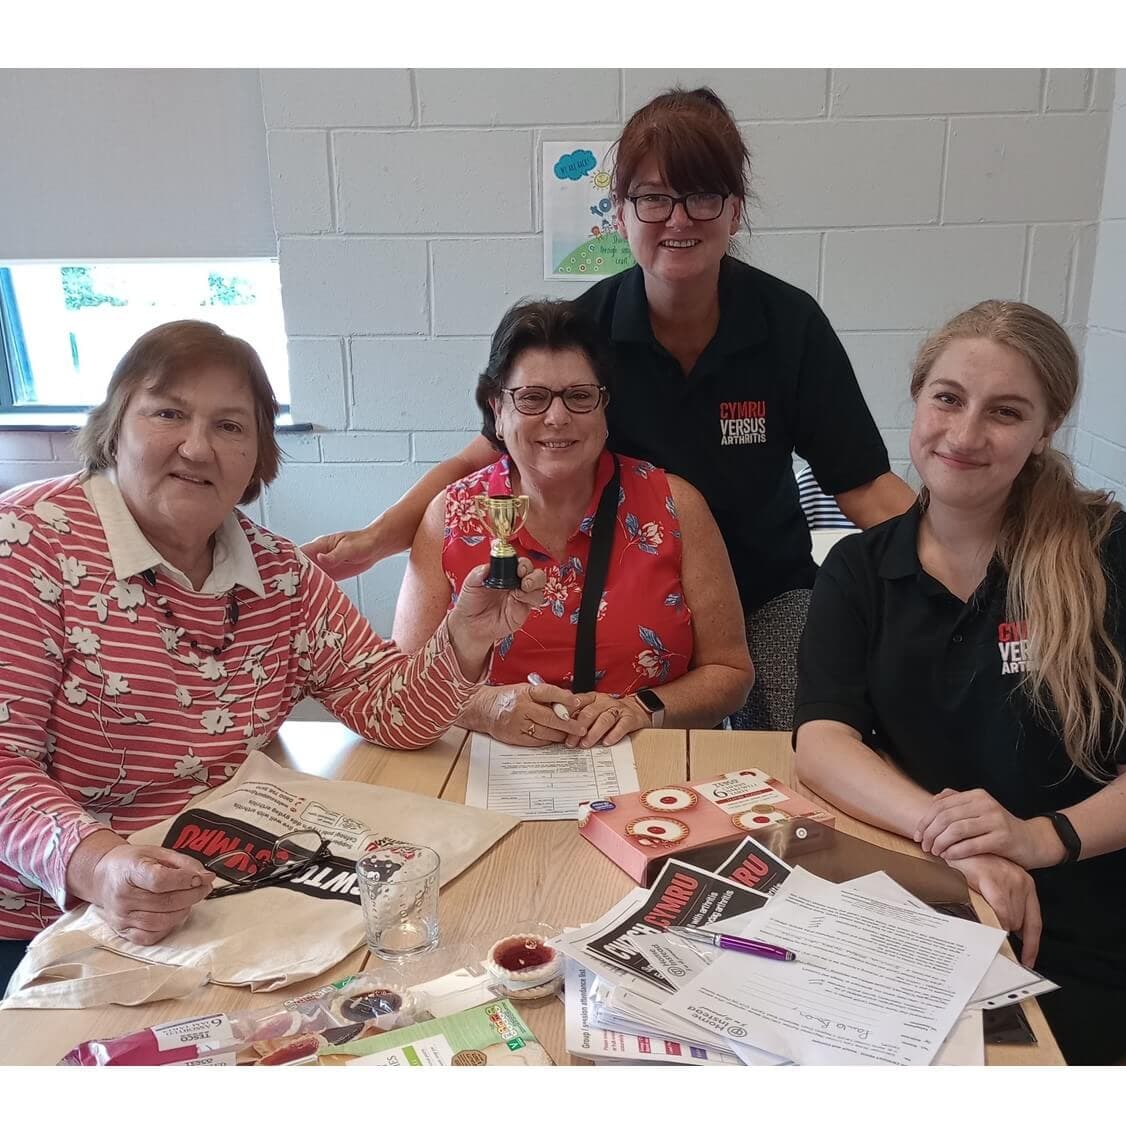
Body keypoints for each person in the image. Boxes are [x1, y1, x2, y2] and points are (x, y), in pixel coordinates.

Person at [302, 87, 915, 730]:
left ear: (735, 212)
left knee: (803, 724)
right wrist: (378, 537)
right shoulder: (587, 330)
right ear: (620, 213)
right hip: (625, 584)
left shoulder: (790, 326)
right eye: (653, 198)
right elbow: (488, 450)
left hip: (764, 587)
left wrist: (968, 564)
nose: (679, 220)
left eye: (703, 196)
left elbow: (866, 484)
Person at [0, 320, 545, 990]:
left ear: (259, 455)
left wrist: (464, 638)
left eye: (230, 426)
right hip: (48, 921)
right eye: (168, 413)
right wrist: (98, 863)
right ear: (113, 428)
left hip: (228, 898)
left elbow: (388, 711)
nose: (197, 448)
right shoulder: (24, 547)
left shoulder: (278, 573)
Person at [793, 300, 1126, 1065]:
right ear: (917, 400)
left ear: (1045, 431)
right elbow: (821, 739)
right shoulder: (860, 570)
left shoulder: (1110, 555)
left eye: (1005, 412)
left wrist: (1037, 841)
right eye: (947, 398)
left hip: (1089, 924)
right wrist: (954, 842)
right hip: (939, 896)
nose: (965, 434)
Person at [393, 299, 753, 748]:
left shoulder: (675, 505)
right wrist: (486, 709)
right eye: (532, 398)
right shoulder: (449, 516)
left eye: (579, 396)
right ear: (497, 410)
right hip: (493, 768)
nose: (557, 417)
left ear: (605, 407)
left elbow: (731, 673)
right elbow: (403, 682)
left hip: (650, 773)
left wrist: (642, 709)